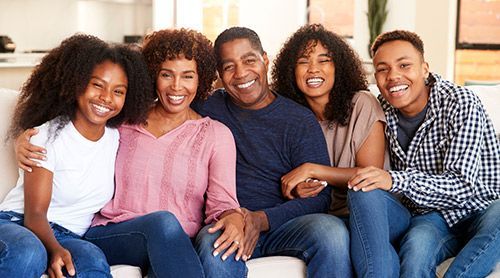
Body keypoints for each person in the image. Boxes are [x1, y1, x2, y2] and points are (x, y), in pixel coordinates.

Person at [14, 29, 244, 278]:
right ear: (153, 76)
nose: (176, 86)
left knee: (178, 241)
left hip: (174, 245)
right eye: (166, 74)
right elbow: (73, 118)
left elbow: (222, 204)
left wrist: (234, 217)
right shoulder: (123, 122)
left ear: (201, 80)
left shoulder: (215, 135)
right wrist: (22, 138)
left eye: (187, 76)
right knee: (163, 224)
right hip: (111, 233)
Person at [193, 26, 352, 278]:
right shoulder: (206, 106)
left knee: (331, 232)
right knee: (215, 247)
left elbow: (320, 198)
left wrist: (261, 219)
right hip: (226, 221)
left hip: (283, 225)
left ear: (265, 60)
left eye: (249, 60)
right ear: (219, 75)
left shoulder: (298, 120)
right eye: (229, 67)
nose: (241, 73)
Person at [348, 30, 500, 277]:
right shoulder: (381, 109)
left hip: (482, 205)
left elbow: (462, 186)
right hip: (432, 215)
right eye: (382, 69)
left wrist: (395, 179)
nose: (393, 76)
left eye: (404, 65)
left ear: (425, 68)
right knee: (415, 252)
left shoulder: (460, 102)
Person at [0, 34, 152, 277]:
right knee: (29, 252)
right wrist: (53, 249)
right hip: (18, 223)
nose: (106, 98)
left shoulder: (117, 136)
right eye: (97, 85)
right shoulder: (46, 135)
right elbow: (35, 213)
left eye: (118, 91)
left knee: (93, 262)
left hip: (71, 234)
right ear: (77, 83)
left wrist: (60, 246)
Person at [272, 23, 410, 278]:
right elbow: (287, 180)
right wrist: (300, 188)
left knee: (363, 191)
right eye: (303, 62)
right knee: (342, 237)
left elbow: (370, 174)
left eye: (324, 60)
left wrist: (312, 170)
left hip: (379, 210)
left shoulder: (361, 104)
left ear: (338, 67)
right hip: (328, 218)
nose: (314, 69)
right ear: (292, 71)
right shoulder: (288, 117)